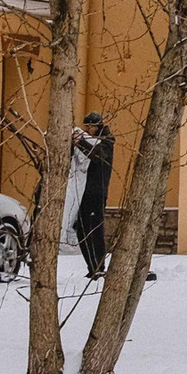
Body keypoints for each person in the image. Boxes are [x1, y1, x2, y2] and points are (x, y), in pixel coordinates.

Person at [71, 113, 114, 278]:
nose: (89, 129)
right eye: (87, 127)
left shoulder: (107, 141)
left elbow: (97, 155)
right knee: (82, 230)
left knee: (94, 230)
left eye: (92, 127)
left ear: (99, 126)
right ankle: (93, 266)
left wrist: (80, 142)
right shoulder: (90, 140)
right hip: (84, 192)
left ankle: (98, 267)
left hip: (96, 192)